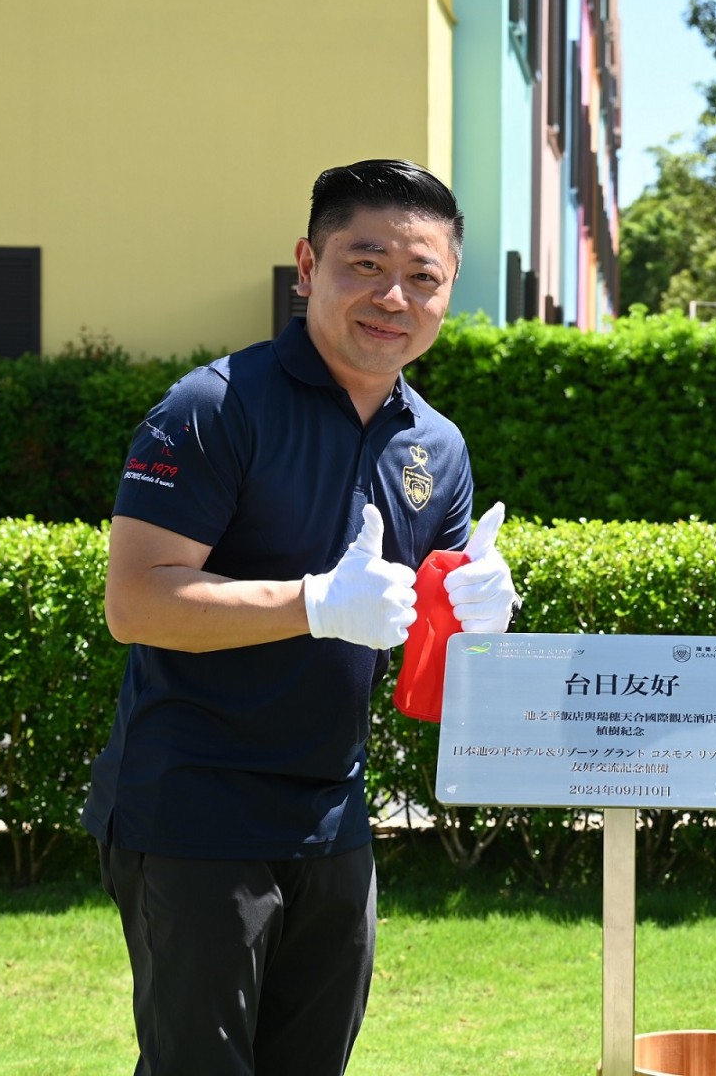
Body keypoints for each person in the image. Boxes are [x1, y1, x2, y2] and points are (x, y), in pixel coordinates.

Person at [82, 158, 519, 1076]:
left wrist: (479, 616)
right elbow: (137, 600)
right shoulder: (213, 406)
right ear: (306, 266)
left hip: (332, 813)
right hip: (193, 809)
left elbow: (422, 638)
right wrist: (315, 603)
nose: (392, 296)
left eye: (422, 276)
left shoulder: (435, 445)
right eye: (365, 264)